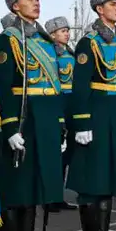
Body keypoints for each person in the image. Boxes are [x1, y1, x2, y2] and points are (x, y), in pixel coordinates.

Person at [0, 0, 65, 231]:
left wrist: (59, 124)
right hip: (22, 122)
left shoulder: (46, 43)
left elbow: (55, 85)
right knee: (15, 190)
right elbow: (4, 88)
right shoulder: (7, 41)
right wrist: (9, 129)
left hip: (45, 121)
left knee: (35, 188)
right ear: (14, 5)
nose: (36, 2)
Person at [66, 0, 116, 231]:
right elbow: (80, 86)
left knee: (108, 176)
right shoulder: (89, 43)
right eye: (112, 4)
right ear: (99, 9)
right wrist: (81, 124)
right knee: (92, 178)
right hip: (96, 116)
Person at [44, 15, 78, 213]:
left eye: (67, 31)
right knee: (56, 155)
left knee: (67, 155)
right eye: (62, 31)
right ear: (53, 34)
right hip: (58, 103)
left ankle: (59, 195)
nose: (67, 34)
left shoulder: (71, 54)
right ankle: (50, 197)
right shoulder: (51, 55)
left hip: (71, 104)